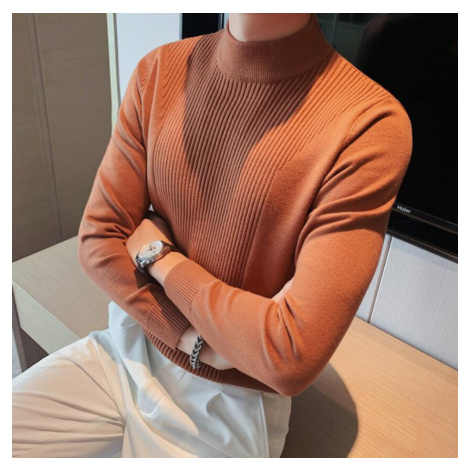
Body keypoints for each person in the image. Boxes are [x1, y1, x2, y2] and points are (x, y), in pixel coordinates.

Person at [12, 13, 412, 458]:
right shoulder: (158, 70)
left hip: (231, 406)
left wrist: (159, 258)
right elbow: (98, 238)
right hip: (129, 346)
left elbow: (290, 355)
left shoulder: (369, 124)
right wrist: (193, 340)